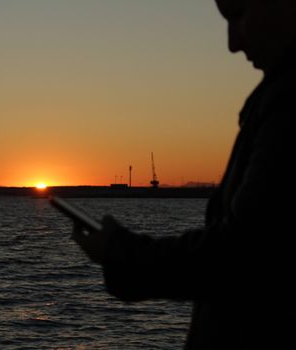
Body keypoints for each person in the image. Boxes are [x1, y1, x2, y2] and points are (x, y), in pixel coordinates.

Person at [71, 0, 296, 348]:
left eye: (238, 15)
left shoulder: (291, 105)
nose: (232, 43)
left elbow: (237, 255)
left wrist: (119, 251)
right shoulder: (278, 100)